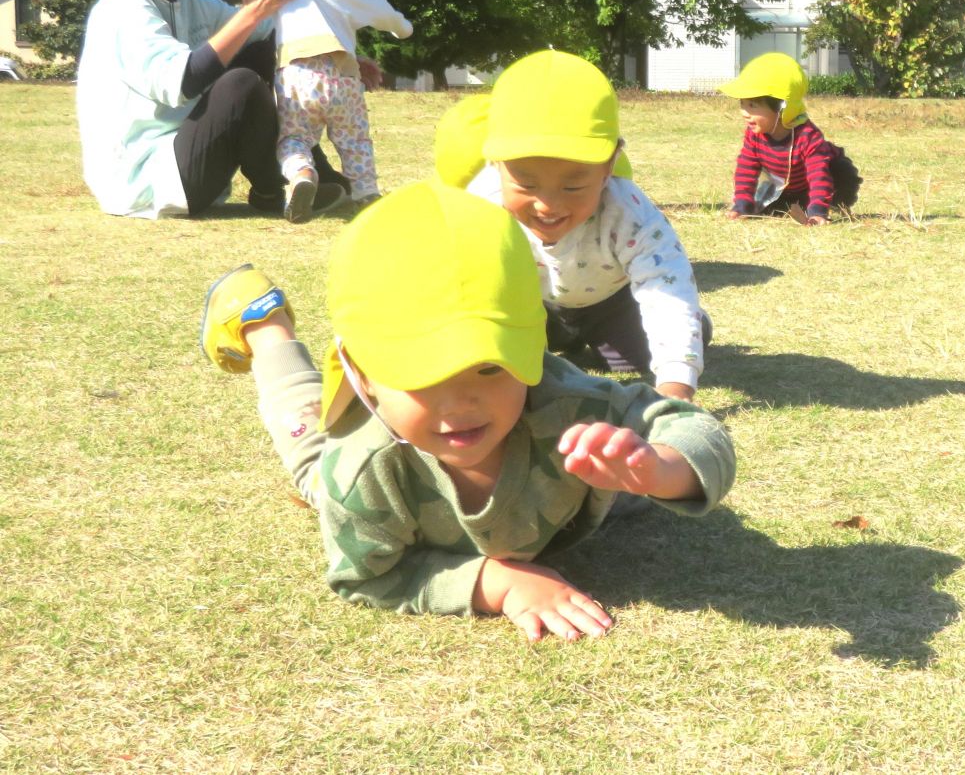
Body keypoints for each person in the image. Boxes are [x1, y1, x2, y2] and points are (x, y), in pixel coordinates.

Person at [200, 181, 735, 642]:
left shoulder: (570, 403)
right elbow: (368, 577)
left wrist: (661, 468)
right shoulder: (364, 469)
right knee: (309, 450)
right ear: (362, 376)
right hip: (363, 463)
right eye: (420, 377)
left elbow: (691, 425)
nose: (459, 406)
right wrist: (496, 583)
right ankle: (262, 324)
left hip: (550, 503)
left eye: (490, 367)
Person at [435, 50, 709, 403]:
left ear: (609, 166)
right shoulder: (482, 205)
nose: (548, 205)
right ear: (495, 163)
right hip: (528, 305)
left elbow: (666, 291)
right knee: (514, 364)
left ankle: (687, 329)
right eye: (527, 185)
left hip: (610, 303)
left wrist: (675, 385)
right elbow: (453, 284)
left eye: (573, 186)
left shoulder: (630, 213)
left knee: (642, 356)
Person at [76, 0, 349, 220]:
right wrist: (253, 12)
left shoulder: (190, 0)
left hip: (194, 161)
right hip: (146, 180)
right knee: (241, 85)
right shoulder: (123, 5)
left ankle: (310, 173)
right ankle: (273, 188)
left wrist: (334, 56)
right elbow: (185, 80)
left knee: (268, 53)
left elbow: (270, 38)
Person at [164, 0, 412, 222]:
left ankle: (301, 174)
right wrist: (402, 28)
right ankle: (367, 193)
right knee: (355, 141)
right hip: (344, 77)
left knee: (294, 139)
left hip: (298, 76)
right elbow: (385, 13)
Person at [718, 53, 863, 225]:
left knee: (842, 170)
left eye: (752, 106)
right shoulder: (755, 134)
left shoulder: (807, 136)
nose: (744, 113)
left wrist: (818, 212)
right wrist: (742, 205)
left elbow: (819, 176)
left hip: (825, 181)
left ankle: (834, 206)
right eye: (742, 105)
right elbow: (746, 169)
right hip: (785, 186)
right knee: (770, 211)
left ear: (781, 107)